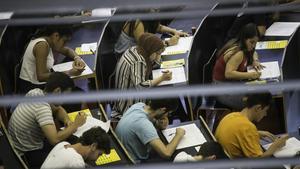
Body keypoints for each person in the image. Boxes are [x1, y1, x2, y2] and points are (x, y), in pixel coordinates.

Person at [8, 72, 87, 168]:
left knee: (69, 140)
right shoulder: (42, 108)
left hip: (15, 144)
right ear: (57, 91)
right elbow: (54, 139)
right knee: (70, 153)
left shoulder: (36, 92)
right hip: (26, 154)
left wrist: (67, 120)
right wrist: (75, 125)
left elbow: (58, 108)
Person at [112, 33, 172, 118]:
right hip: (128, 106)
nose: (157, 56)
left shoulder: (136, 49)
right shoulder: (138, 61)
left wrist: (158, 52)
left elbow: (154, 64)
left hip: (123, 98)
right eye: (156, 53)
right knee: (164, 100)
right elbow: (142, 86)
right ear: (150, 50)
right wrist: (162, 78)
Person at [215, 93, 289, 158]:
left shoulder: (231, 116)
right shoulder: (247, 127)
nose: (265, 114)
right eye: (265, 110)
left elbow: (239, 133)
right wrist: (275, 146)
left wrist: (257, 133)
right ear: (258, 108)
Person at [18, 25, 85, 94]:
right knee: (78, 93)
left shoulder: (49, 41)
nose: (65, 44)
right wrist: (69, 73)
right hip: (32, 88)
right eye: (64, 41)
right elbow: (41, 77)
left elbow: (67, 51)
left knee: (76, 91)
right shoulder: (42, 45)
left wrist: (77, 58)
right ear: (56, 36)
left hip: (39, 84)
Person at [212, 23, 264, 110]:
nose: (254, 45)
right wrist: (250, 75)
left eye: (256, 42)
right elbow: (228, 74)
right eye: (251, 42)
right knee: (255, 101)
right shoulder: (238, 53)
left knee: (259, 92)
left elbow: (254, 52)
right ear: (244, 39)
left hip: (232, 83)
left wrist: (255, 60)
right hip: (221, 89)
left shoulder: (245, 46)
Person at [115, 99, 185, 163]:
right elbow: (166, 153)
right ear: (163, 110)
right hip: (133, 162)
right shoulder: (144, 124)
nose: (167, 116)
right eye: (168, 113)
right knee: (176, 158)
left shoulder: (139, 106)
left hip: (122, 153)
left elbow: (160, 125)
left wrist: (162, 118)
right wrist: (179, 135)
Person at [114, 14, 189, 55]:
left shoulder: (147, 14)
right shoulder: (137, 22)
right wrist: (168, 43)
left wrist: (174, 31)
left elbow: (158, 27)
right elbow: (145, 47)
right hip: (125, 56)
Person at [41, 127, 110, 169]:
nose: (96, 159)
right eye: (99, 154)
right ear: (93, 146)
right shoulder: (76, 162)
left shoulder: (64, 144)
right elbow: (75, 163)